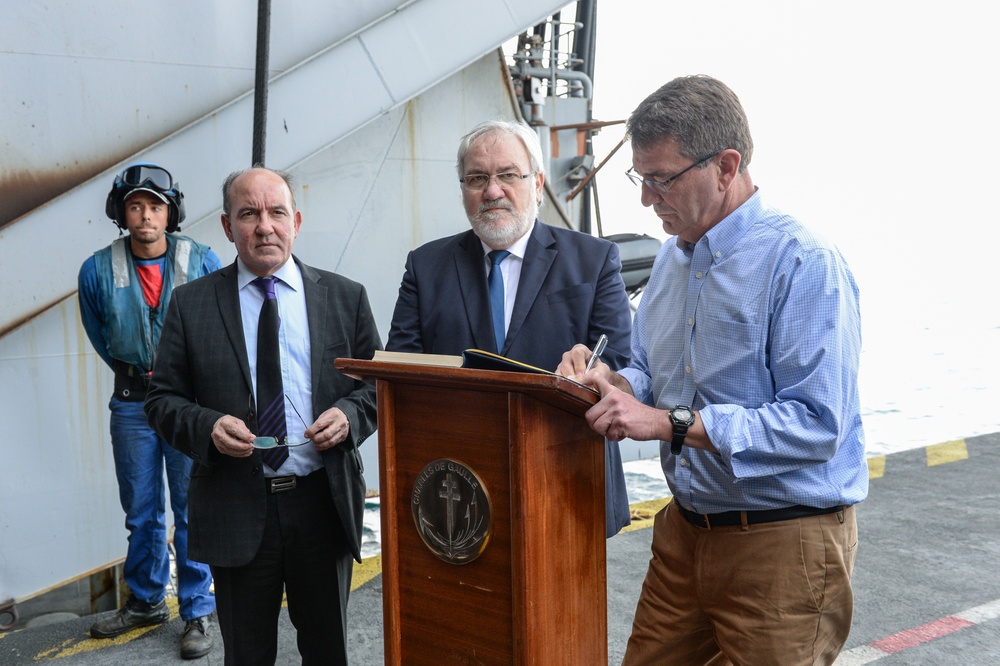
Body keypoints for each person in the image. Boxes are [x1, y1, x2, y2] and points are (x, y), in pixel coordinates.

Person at [558, 75, 867, 665]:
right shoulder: (673, 261)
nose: (647, 199)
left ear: (726, 166)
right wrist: (614, 386)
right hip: (685, 534)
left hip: (783, 541)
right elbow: (650, 370)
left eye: (661, 179)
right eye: (640, 178)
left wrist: (667, 423)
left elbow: (817, 424)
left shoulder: (803, 262)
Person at [145, 166, 380, 665]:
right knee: (247, 655)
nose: (264, 226)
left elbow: (378, 388)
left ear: (295, 220)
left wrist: (349, 416)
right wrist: (207, 427)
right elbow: (161, 400)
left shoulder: (345, 297)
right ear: (228, 227)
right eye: (249, 214)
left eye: (276, 212)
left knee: (328, 651)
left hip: (321, 504)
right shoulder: (191, 305)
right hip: (236, 505)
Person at [386, 118, 634, 536]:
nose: (492, 190)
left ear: (537, 184)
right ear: (463, 188)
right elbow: (402, 370)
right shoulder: (425, 266)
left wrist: (595, 372)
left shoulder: (594, 260)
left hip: (568, 479)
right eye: (477, 178)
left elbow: (623, 363)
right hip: (458, 487)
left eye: (507, 175)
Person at [78, 163, 220, 659]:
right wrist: (140, 376)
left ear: (170, 212)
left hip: (187, 404)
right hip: (132, 405)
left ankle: (197, 608)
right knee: (141, 512)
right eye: (135, 206)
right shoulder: (96, 269)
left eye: (155, 206)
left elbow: (219, 324)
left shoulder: (201, 260)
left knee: (190, 508)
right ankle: (145, 601)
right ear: (122, 212)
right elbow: (101, 336)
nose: (145, 216)